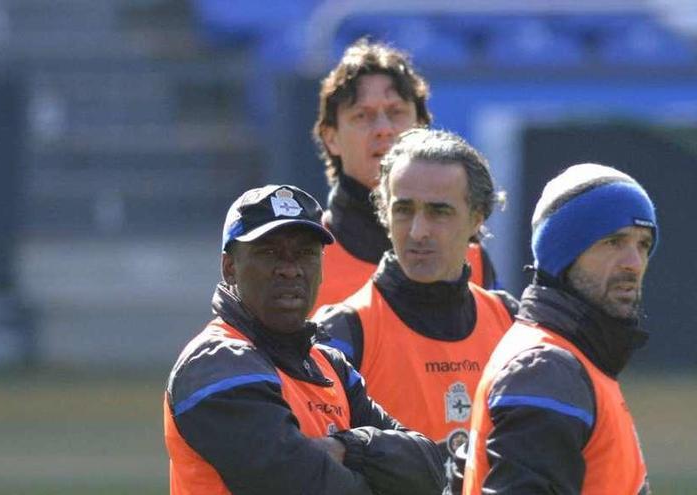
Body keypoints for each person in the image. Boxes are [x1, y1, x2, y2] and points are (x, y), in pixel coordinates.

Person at [163, 184, 444, 494]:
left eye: (305, 253)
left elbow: (429, 468)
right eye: (269, 252)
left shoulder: (329, 366)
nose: (290, 269)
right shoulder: (216, 362)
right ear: (230, 268)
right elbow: (297, 484)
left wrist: (347, 447)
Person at [315, 128, 518, 463]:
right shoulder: (341, 333)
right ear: (384, 213)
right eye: (404, 210)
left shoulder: (512, 323)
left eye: (439, 212)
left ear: (477, 219)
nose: (418, 231)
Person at [460, 163, 659, 494]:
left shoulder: (574, 360)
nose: (633, 263)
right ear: (563, 255)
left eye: (643, 244)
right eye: (614, 241)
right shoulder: (545, 369)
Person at [311, 38, 500, 313]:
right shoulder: (305, 258)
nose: (383, 129)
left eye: (396, 112)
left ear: (421, 126)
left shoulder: (471, 257)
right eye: (362, 116)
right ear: (331, 138)